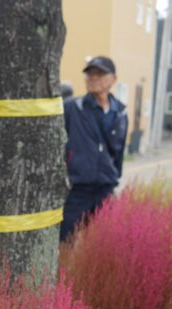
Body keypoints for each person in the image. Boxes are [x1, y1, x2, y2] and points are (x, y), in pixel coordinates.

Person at [60, 56, 128, 242]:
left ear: (113, 79)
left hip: (105, 189)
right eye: (90, 74)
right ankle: (64, 272)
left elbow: (119, 152)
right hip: (77, 189)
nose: (93, 78)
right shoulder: (73, 107)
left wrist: (114, 176)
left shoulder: (120, 112)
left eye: (100, 74)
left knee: (101, 243)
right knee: (66, 240)